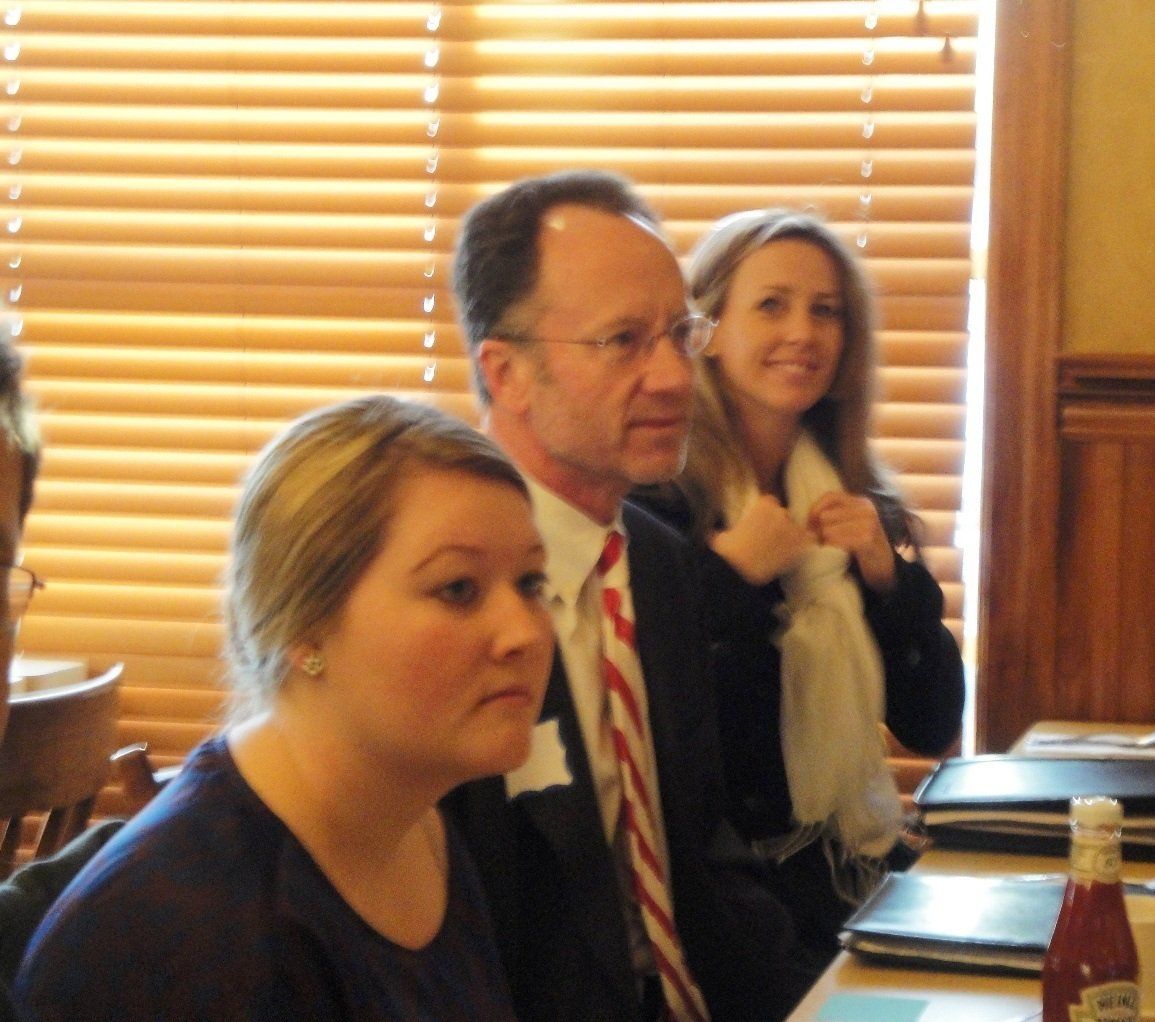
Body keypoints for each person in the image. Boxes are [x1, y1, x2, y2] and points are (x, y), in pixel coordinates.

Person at [15, 395, 556, 1021]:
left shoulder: (415, 824)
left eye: (530, 583)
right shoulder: (183, 937)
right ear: (305, 626)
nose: (524, 632)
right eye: (458, 589)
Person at [444, 169, 824, 1022]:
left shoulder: (651, 561)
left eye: (678, 335)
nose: (673, 378)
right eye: (622, 342)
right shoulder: (440, 592)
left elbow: (699, 856)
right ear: (505, 373)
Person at [634, 208, 965, 960]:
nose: (803, 334)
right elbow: (649, 734)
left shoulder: (856, 499)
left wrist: (888, 584)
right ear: (707, 327)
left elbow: (931, 722)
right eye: (771, 305)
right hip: (723, 909)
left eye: (826, 312)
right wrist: (729, 578)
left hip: (853, 873)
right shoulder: (655, 506)